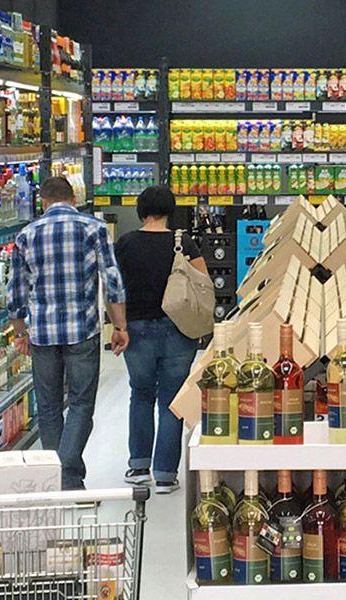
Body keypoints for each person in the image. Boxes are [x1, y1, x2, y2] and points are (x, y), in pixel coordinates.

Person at [9, 177, 130, 490]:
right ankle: (69, 477)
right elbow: (112, 282)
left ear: (43, 202)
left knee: (48, 407)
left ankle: (57, 479)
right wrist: (120, 326)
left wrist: (20, 332)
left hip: (43, 334)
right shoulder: (94, 229)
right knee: (80, 404)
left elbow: (16, 290)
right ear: (74, 198)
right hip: (82, 331)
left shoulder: (26, 235)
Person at [113, 185, 209, 494]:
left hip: (137, 329)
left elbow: (115, 289)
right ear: (170, 210)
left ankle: (139, 467)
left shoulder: (125, 244)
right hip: (178, 329)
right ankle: (166, 475)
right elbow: (203, 284)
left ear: (141, 211)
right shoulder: (184, 243)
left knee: (141, 394)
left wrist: (118, 325)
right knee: (171, 399)